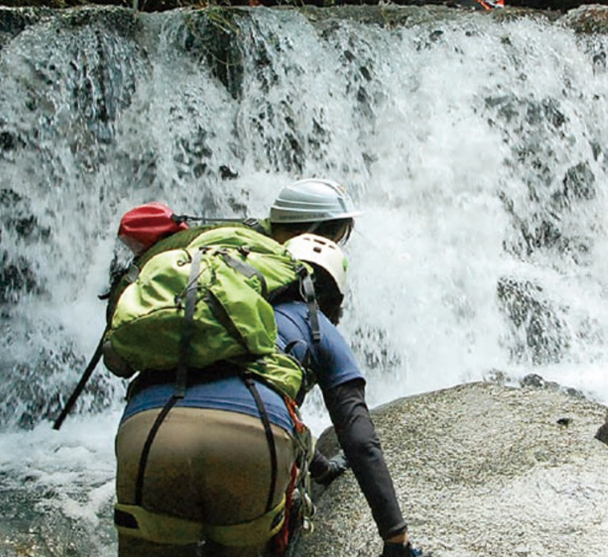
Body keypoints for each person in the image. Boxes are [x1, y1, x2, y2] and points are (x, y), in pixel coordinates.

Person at [111, 233, 431, 557]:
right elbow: (360, 439)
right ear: (332, 295)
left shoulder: (197, 303)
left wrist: (321, 467)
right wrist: (395, 537)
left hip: (149, 430)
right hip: (250, 439)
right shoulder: (315, 323)